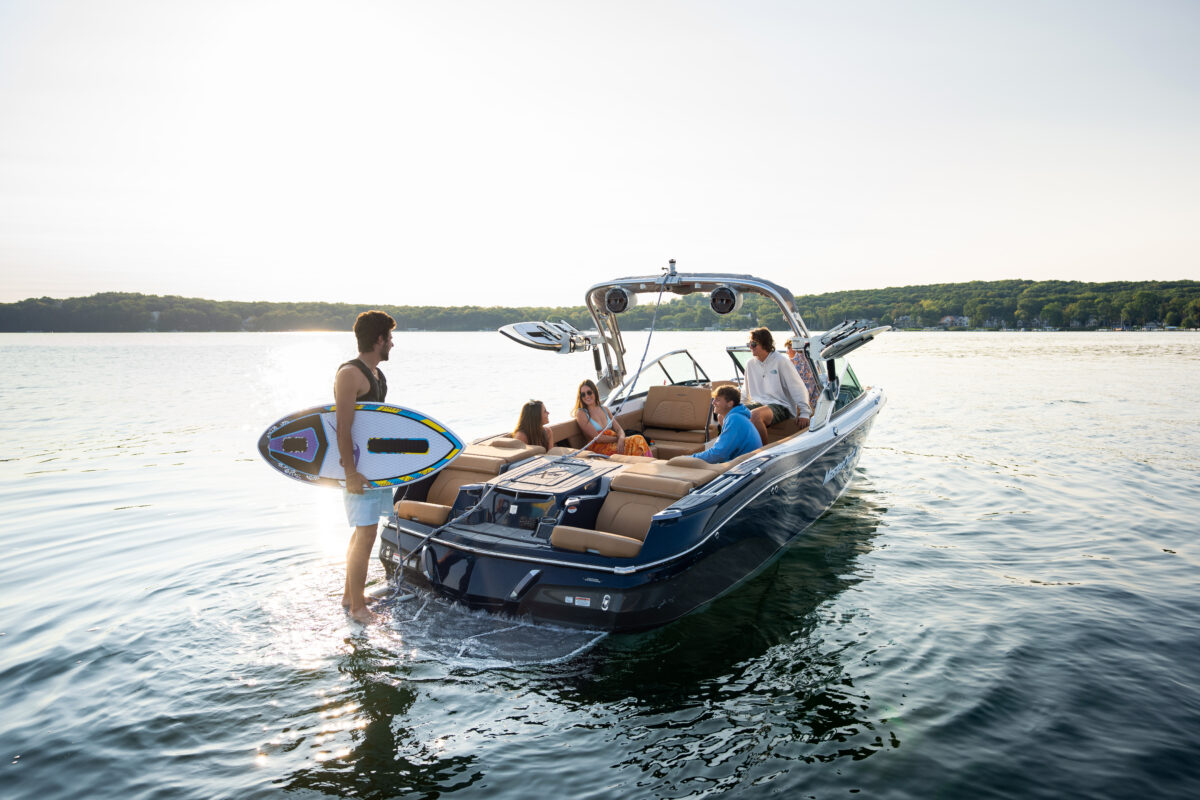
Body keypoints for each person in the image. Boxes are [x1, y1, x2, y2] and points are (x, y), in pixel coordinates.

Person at [333, 309, 396, 624]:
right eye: (391, 338)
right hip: (357, 471)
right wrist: (350, 474)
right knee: (366, 534)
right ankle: (358, 609)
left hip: (375, 470)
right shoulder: (350, 374)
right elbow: (342, 428)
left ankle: (350, 595)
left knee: (364, 533)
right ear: (380, 339)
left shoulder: (377, 376)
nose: (393, 345)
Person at [743, 327, 811, 446]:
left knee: (755, 415)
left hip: (781, 405)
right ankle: (735, 449)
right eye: (749, 344)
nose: (750, 347)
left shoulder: (781, 361)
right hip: (759, 404)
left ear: (765, 343)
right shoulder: (750, 364)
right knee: (729, 414)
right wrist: (737, 406)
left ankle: (762, 452)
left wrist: (805, 412)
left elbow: (797, 387)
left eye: (753, 344)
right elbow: (745, 391)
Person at [574, 379, 652, 457]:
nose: (586, 396)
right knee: (637, 441)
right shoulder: (581, 413)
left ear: (594, 392)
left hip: (612, 441)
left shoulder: (605, 409)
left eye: (589, 392)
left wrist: (621, 438)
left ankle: (646, 467)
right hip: (598, 447)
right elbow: (598, 438)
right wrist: (618, 439)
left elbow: (619, 429)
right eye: (583, 394)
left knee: (639, 439)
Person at [694, 385, 760, 464]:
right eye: (714, 399)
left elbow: (718, 454)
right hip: (744, 462)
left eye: (717, 400)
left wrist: (689, 459)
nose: (713, 402)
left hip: (743, 466)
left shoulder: (734, 419)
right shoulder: (736, 416)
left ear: (730, 404)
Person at [785, 337, 821, 408]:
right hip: (816, 403)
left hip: (801, 405)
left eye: (789, 348)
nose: (787, 351)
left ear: (796, 347)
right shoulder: (814, 361)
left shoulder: (792, 363)